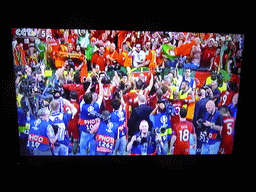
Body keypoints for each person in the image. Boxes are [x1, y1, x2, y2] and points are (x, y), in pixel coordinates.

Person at [78, 78, 103, 155]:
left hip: (85, 131)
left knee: (82, 148)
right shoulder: (96, 106)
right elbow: (101, 95)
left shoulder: (82, 106)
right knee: (93, 149)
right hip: (94, 132)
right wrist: (100, 83)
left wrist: (89, 87)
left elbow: (85, 95)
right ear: (92, 100)